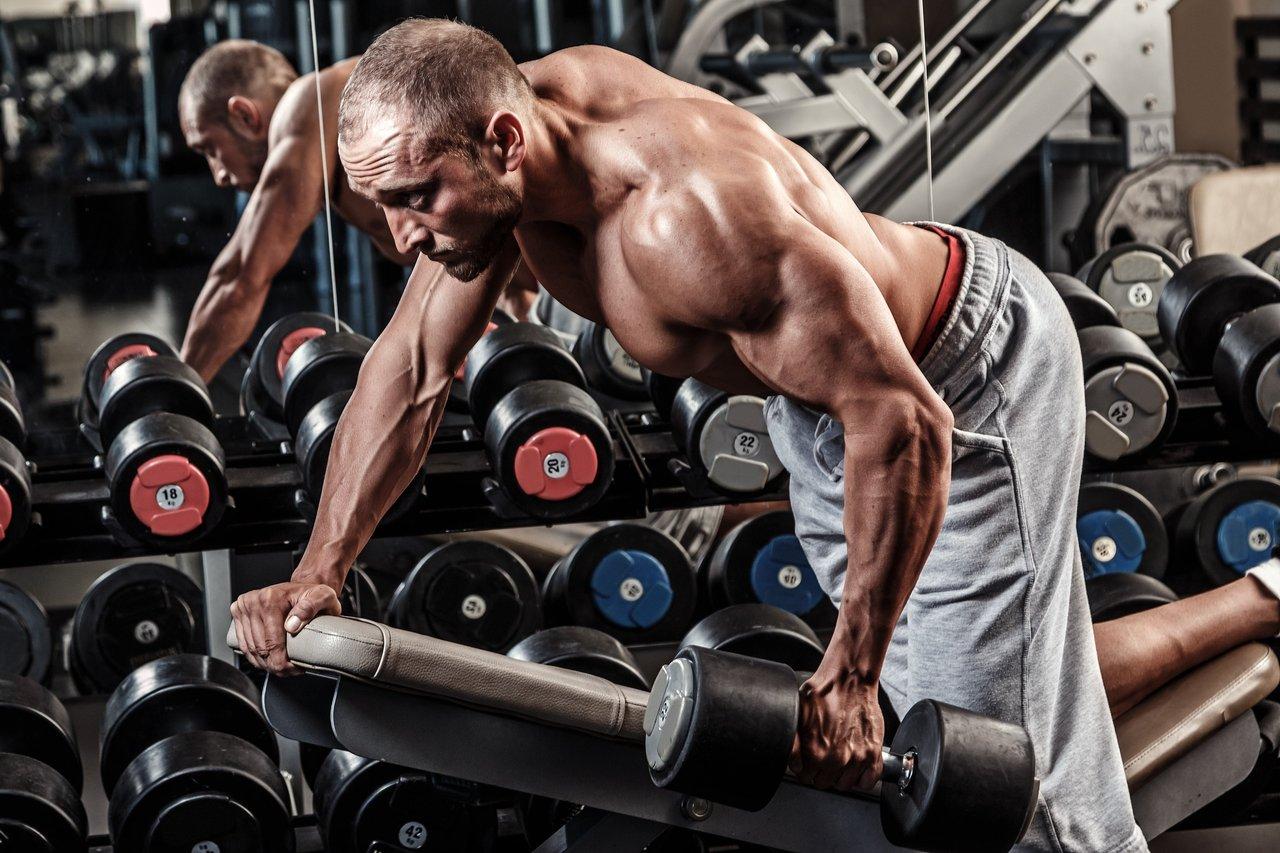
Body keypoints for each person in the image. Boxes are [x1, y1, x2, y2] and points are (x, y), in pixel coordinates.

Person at [224, 21, 1276, 850]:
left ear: (501, 140)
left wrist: (848, 670)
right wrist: (320, 570)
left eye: (416, 201)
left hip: (956, 374)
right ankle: (1262, 594)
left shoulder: (685, 219)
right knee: (962, 705)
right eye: (385, 206)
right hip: (824, 406)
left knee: (983, 776)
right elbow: (407, 371)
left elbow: (902, 418)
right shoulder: (502, 142)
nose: (404, 235)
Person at [175, 39, 539, 383]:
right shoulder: (329, 137)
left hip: (569, 283)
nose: (218, 175)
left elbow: (239, 276)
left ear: (244, 116)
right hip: (542, 295)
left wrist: (174, 396)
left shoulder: (307, 105)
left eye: (210, 148)